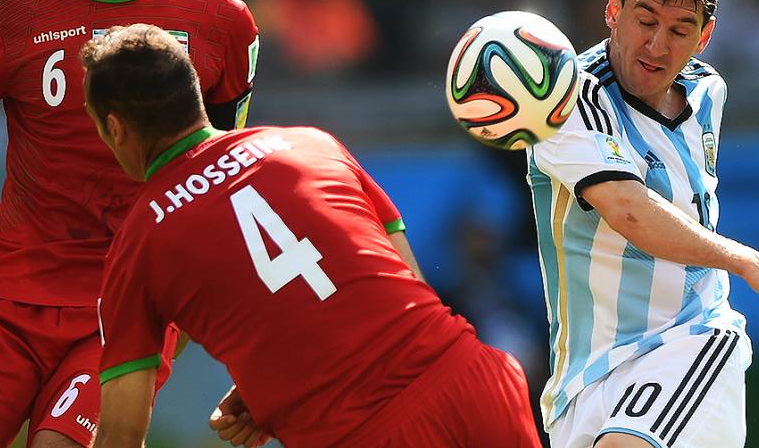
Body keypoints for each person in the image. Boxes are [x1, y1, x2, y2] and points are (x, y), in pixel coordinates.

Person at [80, 23, 542, 448]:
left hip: (364, 433)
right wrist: (284, 373)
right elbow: (406, 286)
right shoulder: (310, 143)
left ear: (115, 127)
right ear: (194, 95)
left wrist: (299, 382)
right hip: (474, 381)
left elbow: (121, 430)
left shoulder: (139, 241)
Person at [0, 0, 258, 446]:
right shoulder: (8, 12)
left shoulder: (223, 22)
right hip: (4, 297)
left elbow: (219, 185)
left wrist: (194, 324)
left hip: (125, 308)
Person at [526, 0, 759, 448]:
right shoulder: (568, 100)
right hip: (584, 382)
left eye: (680, 30)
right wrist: (749, 261)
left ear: (705, 36)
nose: (658, 45)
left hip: (692, 342)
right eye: (645, 19)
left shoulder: (708, 91)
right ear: (613, 9)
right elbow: (629, 212)